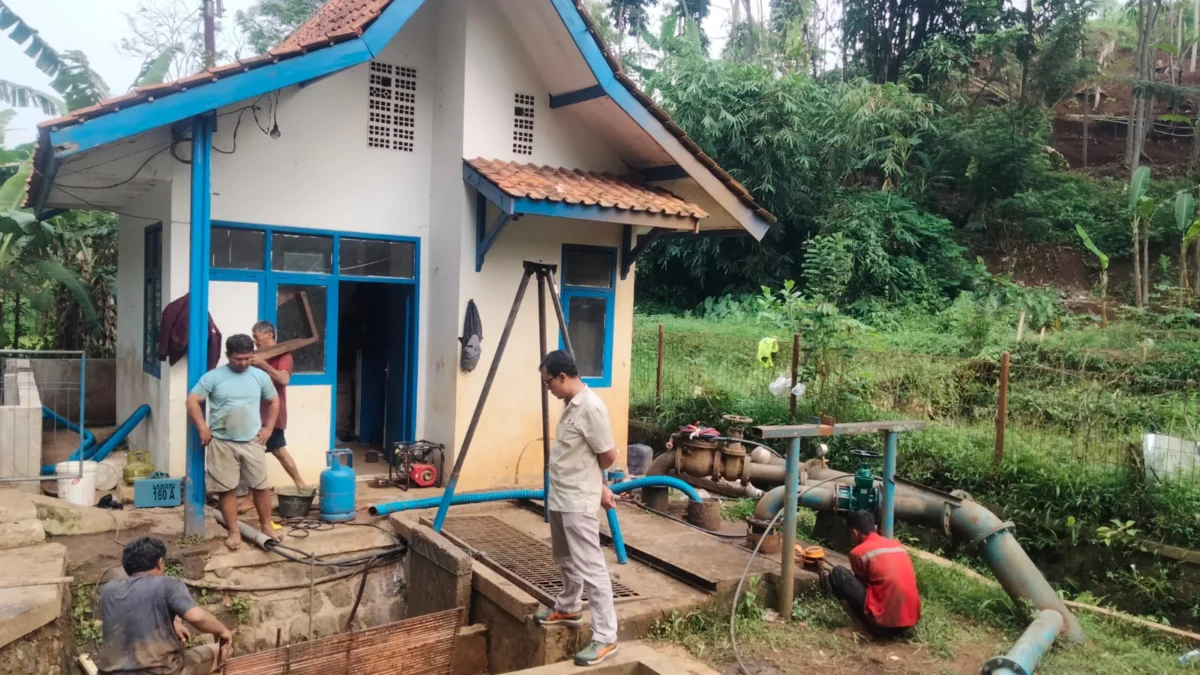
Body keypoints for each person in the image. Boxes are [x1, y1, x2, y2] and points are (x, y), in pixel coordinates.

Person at [532, 350, 620, 667]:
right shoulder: (570, 405)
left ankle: (606, 637)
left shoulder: (591, 408)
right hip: (561, 495)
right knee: (564, 556)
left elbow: (607, 455)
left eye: (548, 383)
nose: (548, 389)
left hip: (578, 499)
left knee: (591, 567)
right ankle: (569, 605)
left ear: (563, 377)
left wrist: (597, 487)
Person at [186, 334, 280, 550]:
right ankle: (233, 531)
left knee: (260, 486)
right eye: (239, 359)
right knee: (226, 489)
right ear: (228, 356)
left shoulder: (260, 376)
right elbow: (192, 400)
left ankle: (267, 526)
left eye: (247, 358)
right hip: (222, 442)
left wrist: (268, 428)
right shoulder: (213, 377)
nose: (244, 363)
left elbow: (274, 401)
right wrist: (202, 428)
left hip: (252, 441)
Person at [96, 537, 232, 675]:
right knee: (218, 651)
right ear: (160, 562)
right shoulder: (167, 584)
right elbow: (197, 618)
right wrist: (222, 631)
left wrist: (171, 621)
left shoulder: (109, 590)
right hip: (161, 672)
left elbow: (134, 612)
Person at [828, 510, 921, 639]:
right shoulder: (897, 546)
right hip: (907, 625)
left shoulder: (858, 552)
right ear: (875, 528)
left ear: (854, 533)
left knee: (838, 574)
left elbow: (862, 584)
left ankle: (860, 628)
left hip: (883, 627)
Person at [251, 321, 306, 488]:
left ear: (269, 335)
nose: (254, 340)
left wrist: (263, 364)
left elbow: (284, 379)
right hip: (255, 412)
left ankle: (301, 485)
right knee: (255, 453)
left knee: (277, 450)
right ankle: (301, 485)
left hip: (272, 413)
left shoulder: (284, 356)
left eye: (256, 336)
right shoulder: (258, 354)